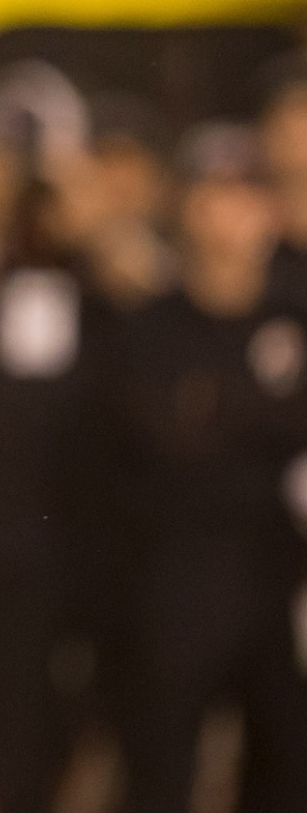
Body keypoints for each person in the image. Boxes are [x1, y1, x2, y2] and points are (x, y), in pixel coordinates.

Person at [97, 120, 307, 813]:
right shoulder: (150, 328)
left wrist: (221, 409)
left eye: (250, 193)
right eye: (216, 193)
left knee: (284, 767)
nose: (234, 213)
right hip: (171, 592)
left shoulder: (292, 317)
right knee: (160, 775)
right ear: (185, 207)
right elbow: (164, 440)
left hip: (277, 588)